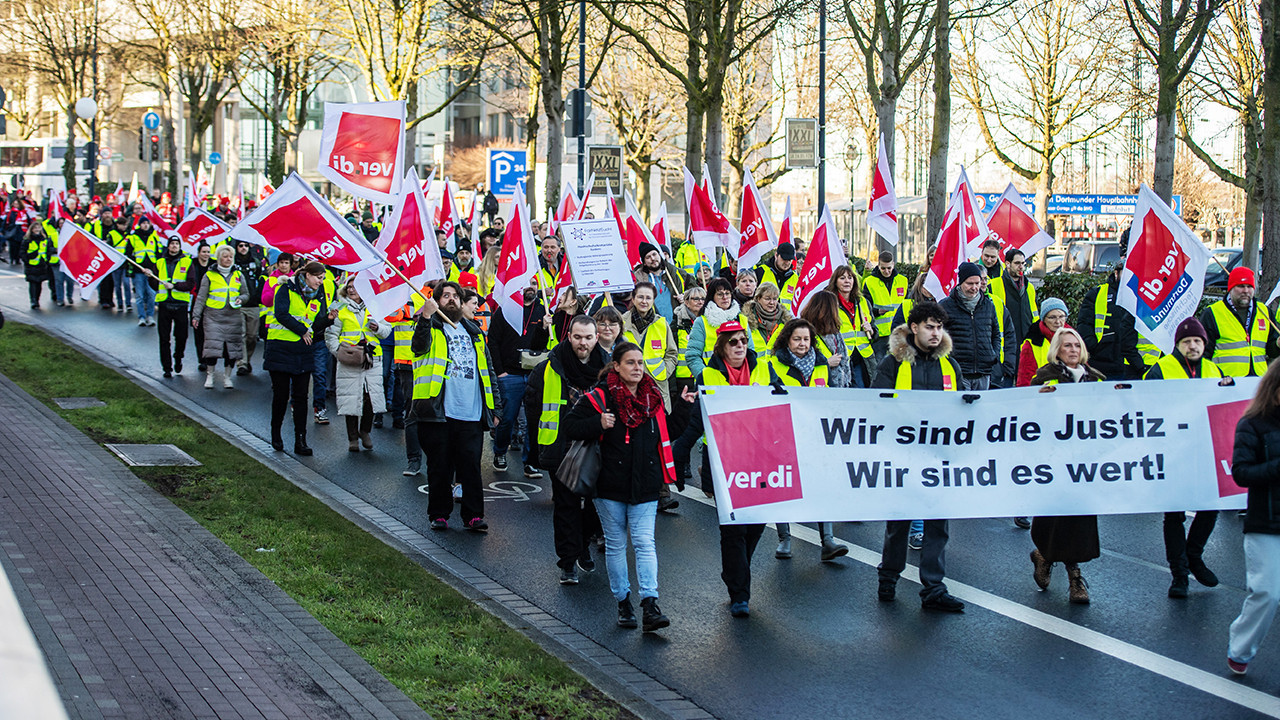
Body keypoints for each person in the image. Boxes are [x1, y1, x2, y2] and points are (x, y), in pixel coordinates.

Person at [564, 342, 674, 632]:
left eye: (640, 363)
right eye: (630, 363)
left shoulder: (653, 397)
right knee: (616, 544)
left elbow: (663, 437)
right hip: (609, 485)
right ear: (616, 366)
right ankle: (623, 602)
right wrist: (598, 423)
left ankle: (650, 604)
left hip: (646, 485)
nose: (638, 368)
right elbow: (570, 426)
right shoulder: (600, 397)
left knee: (644, 543)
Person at [872, 300, 966, 612]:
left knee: (937, 524)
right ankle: (889, 577)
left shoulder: (949, 365)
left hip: (938, 457)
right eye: (930, 327)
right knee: (899, 523)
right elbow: (874, 407)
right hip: (902, 457)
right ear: (914, 328)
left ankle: (934, 589)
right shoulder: (893, 364)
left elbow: (965, 408)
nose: (936, 333)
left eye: (939, 327)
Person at [1145, 317, 1230, 598]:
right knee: (1175, 514)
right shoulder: (1161, 370)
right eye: (1187, 341)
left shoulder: (1214, 369)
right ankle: (1179, 574)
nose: (1193, 346)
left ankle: (1195, 556)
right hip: (1173, 452)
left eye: (1197, 341)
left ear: (1204, 344)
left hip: (1205, 450)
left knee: (1210, 506)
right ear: (1178, 345)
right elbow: (1145, 408)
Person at [411, 281, 499, 533]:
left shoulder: (474, 332)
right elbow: (418, 347)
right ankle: (439, 514)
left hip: (470, 411)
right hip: (438, 411)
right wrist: (426, 317)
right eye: (445, 296)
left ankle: (473, 516)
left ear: (461, 302)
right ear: (436, 301)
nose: (451, 300)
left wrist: (495, 410)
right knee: (440, 466)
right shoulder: (430, 326)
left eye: (455, 296)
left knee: (471, 466)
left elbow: (488, 371)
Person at [526, 315, 608, 585]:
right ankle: (568, 562)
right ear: (568, 336)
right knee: (566, 507)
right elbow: (534, 407)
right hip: (562, 448)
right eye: (577, 337)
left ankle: (583, 545)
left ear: (596, 338)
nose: (582, 343)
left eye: (588, 337)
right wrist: (539, 447)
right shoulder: (549, 367)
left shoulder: (608, 367)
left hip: (598, 448)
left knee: (595, 508)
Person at [1028, 327, 1104, 604]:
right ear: (1057, 350)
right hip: (1055, 458)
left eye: (1076, 345)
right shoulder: (1046, 379)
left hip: (1084, 461)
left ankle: (1066, 569)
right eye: (1066, 346)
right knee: (1056, 518)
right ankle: (1055, 562)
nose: (1072, 350)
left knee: (1079, 519)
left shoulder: (1095, 380)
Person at [768, 319, 849, 564]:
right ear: (787, 341)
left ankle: (828, 540)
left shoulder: (822, 365)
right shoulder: (772, 365)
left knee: (820, 485)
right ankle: (785, 539)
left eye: (806, 339)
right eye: (797, 339)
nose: (803, 344)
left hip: (816, 435)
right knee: (783, 486)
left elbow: (832, 397)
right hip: (784, 435)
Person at [1226, 359, 1280, 675]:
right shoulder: (1253, 424)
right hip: (1266, 522)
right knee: (1268, 594)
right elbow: (1242, 473)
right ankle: (1241, 650)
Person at [263, 261, 335, 456]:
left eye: (323, 279)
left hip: (303, 352)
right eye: (318, 278)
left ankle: (300, 440)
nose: (321, 282)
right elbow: (281, 314)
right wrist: (302, 330)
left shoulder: (318, 296)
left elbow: (316, 324)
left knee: (301, 397)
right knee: (280, 395)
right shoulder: (286, 288)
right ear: (307, 275)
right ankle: (276, 433)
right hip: (280, 348)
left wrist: (328, 319)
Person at [621, 281, 680, 514]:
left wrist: (663, 372)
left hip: (656, 393)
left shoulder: (661, 323)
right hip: (628, 392)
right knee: (630, 444)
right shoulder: (621, 322)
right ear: (633, 298)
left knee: (658, 444)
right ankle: (631, 491)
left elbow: (672, 354)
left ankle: (663, 494)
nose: (644, 301)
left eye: (649, 298)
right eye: (641, 297)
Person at [488, 284, 551, 477]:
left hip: (534, 373)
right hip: (510, 374)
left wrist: (544, 328)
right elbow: (493, 342)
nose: (529, 288)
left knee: (534, 420)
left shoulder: (543, 310)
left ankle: (530, 462)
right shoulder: (505, 310)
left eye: (533, 283)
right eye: (524, 284)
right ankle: (500, 453)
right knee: (507, 418)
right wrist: (500, 372)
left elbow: (541, 345)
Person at [325, 277, 391, 452]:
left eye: (356, 286)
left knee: (371, 397)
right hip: (349, 359)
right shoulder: (338, 307)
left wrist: (378, 328)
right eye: (349, 287)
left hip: (372, 359)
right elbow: (330, 334)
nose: (352, 290)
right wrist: (338, 352)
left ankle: (365, 431)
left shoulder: (375, 306)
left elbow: (387, 331)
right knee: (351, 397)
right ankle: (352, 437)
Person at [1078, 228, 1145, 380]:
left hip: (1133, 366)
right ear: (1116, 273)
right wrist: (1093, 347)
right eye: (1125, 272)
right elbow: (1084, 323)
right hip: (1102, 363)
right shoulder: (1097, 294)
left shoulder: (1143, 297)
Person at [939, 262, 1007, 391]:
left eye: (977, 283)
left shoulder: (988, 304)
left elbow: (996, 334)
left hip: (984, 371)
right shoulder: (945, 306)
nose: (974, 287)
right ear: (960, 283)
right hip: (958, 371)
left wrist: (993, 355)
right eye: (970, 284)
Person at [1200, 266, 1279, 378]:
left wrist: (1277, 344)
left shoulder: (1264, 311)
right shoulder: (1212, 313)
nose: (1245, 291)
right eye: (1241, 286)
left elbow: (1271, 351)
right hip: (1226, 382)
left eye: (1249, 286)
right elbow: (1203, 354)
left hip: (1257, 382)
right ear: (1230, 288)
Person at [192, 246, 249, 390]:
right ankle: (210, 375)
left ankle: (227, 377)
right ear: (218, 258)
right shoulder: (209, 275)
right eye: (225, 256)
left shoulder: (238, 274)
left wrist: (241, 299)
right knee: (213, 346)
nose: (228, 259)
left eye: (230, 256)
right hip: (213, 316)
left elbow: (246, 294)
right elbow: (201, 297)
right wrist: (196, 315)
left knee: (231, 347)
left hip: (232, 316)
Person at [685, 277, 753, 377]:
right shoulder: (702, 322)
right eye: (720, 294)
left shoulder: (742, 319)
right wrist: (705, 377)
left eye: (727, 293)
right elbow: (692, 356)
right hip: (712, 382)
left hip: (740, 380)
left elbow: (750, 352)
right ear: (712, 297)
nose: (725, 297)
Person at [824, 265, 876, 387]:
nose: (847, 281)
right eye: (842, 278)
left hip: (864, 358)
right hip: (842, 358)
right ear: (835, 281)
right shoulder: (830, 303)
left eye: (850, 277)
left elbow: (874, 330)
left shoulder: (863, 301)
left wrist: (871, 330)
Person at [152, 237, 194, 379]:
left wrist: (175, 286)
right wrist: (149, 276)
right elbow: (153, 283)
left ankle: (178, 357)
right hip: (164, 304)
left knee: (181, 336)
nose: (174, 246)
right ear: (168, 246)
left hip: (180, 304)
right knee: (164, 338)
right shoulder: (160, 262)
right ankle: (167, 367)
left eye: (177, 244)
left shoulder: (187, 262)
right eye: (172, 244)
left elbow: (190, 283)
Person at [799, 291, 851, 389]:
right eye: (835, 306)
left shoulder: (835, 332)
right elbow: (800, 362)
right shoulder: (805, 332)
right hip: (817, 387)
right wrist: (826, 363)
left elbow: (844, 360)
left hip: (839, 387)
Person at [863, 251, 908, 361]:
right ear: (878, 265)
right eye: (883, 268)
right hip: (880, 334)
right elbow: (864, 308)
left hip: (899, 333)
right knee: (880, 367)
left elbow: (907, 305)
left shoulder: (903, 280)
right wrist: (877, 311)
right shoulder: (869, 282)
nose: (886, 271)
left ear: (893, 264)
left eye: (889, 268)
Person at [1016, 297, 1069, 387]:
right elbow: (1024, 380)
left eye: (1061, 316)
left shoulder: (1074, 338)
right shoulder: (1032, 344)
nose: (1058, 321)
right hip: (1043, 395)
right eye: (1052, 317)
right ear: (1044, 319)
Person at [633, 242, 687, 323]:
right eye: (648, 257)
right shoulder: (638, 279)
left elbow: (695, 291)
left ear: (659, 255)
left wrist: (685, 297)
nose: (653, 259)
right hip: (653, 325)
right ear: (644, 262)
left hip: (676, 324)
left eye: (654, 254)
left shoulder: (676, 273)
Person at [233, 241, 264, 376]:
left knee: (251, 336)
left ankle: (248, 359)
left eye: (245, 245)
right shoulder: (233, 263)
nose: (243, 248)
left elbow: (261, 279)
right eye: (240, 246)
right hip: (238, 304)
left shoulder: (255, 262)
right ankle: (242, 363)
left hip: (253, 304)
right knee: (241, 335)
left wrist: (258, 296)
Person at [744, 282, 791, 358]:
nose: (772, 302)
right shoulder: (746, 320)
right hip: (755, 368)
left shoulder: (786, 322)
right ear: (758, 298)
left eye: (775, 299)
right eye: (767, 299)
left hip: (777, 368)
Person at [127, 216, 159, 326]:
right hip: (138, 270)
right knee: (139, 295)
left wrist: (156, 268)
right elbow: (128, 254)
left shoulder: (154, 236)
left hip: (151, 271)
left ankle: (150, 316)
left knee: (151, 294)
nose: (146, 225)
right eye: (143, 223)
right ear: (140, 225)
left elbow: (158, 253)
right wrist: (133, 268)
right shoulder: (133, 237)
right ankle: (141, 317)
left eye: (147, 223)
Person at [188, 244, 213, 369]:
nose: (206, 254)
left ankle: (210, 358)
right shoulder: (192, 264)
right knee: (199, 332)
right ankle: (202, 359)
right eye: (203, 252)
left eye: (208, 252)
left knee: (210, 333)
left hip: (212, 303)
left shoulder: (214, 265)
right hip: (196, 301)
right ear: (198, 253)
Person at [22, 221, 51, 309]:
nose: (37, 230)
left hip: (41, 265)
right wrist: (27, 260)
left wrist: (47, 260)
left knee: (39, 284)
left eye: (38, 228)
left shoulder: (44, 239)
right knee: (33, 284)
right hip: (31, 265)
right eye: (35, 228)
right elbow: (22, 252)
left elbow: (47, 250)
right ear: (32, 229)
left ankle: (37, 299)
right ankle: (33, 300)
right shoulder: (27, 240)